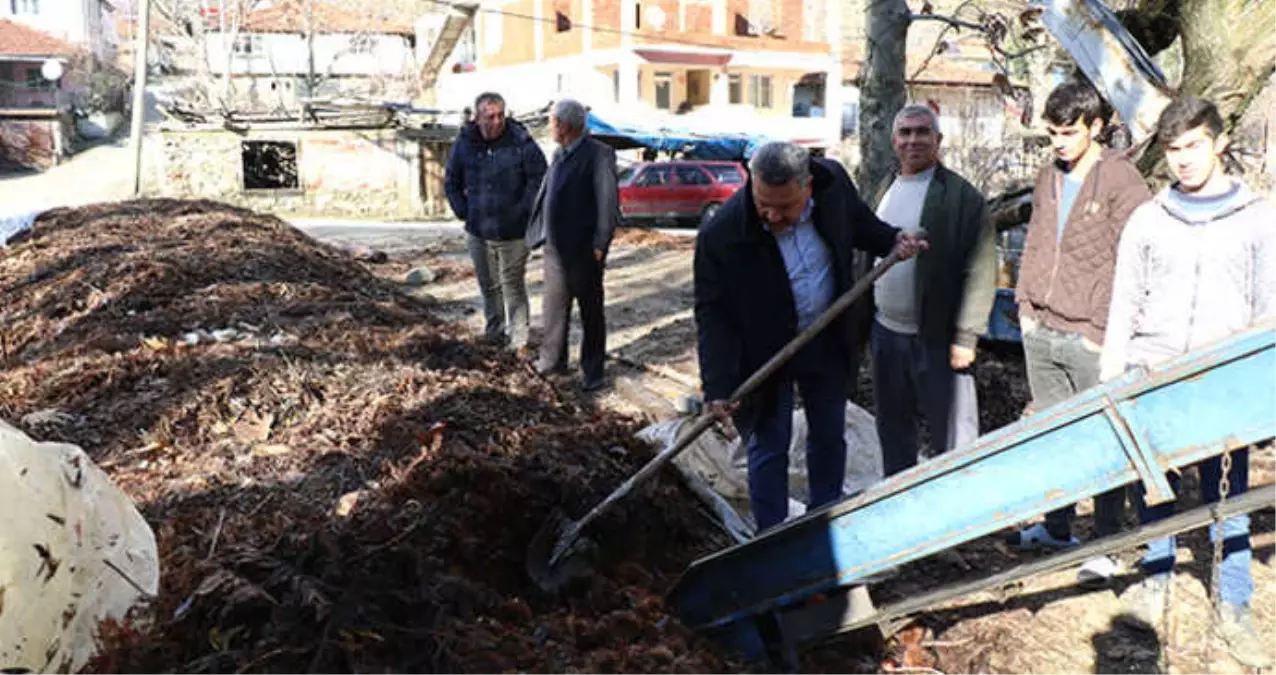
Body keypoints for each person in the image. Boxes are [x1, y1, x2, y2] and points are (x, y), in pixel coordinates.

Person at [1102, 95, 1273, 668]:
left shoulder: (1258, 216)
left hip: (1225, 377)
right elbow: (1125, 299)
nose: (1182, 160)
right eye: (1172, 150)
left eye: (1193, 145)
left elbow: (1269, 305)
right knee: (1157, 491)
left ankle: (1233, 605)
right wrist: (1115, 374)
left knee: (1231, 500)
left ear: (1219, 142)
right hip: (1156, 372)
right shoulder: (1149, 218)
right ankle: (1157, 583)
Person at [694, 141, 926, 532]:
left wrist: (893, 240)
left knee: (829, 434)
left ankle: (823, 523)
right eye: (763, 201)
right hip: (764, 353)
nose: (770, 214)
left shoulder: (834, 185)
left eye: (784, 207)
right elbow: (712, 313)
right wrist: (716, 386)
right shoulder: (723, 234)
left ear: (808, 188)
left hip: (827, 335)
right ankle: (771, 536)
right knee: (768, 445)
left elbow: (861, 224)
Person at [1008, 80, 1153, 585]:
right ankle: (1057, 527)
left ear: (1095, 128)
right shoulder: (1049, 173)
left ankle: (1108, 544)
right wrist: (1025, 306)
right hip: (1042, 328)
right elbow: (1035, 241)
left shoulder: (1123, 180)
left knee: (1102, 439)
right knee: (1055, 436)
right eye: (1052, 133)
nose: (1059, 143)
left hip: (1093, 337)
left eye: (1069, 133)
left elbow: (1135, 264)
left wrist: (1101, 329)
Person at [865, 104, 997, 476]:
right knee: (893, 428)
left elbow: (982, 267)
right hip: (887, 333)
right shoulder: (883, 188)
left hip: (939, 338)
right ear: (894, 141)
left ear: (938, 140)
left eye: (922, 132)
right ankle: (899, 502)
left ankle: (958, 513)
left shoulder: (961, 197)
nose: (913, 140)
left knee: (955, 433)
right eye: (905, 133)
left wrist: (966, 337)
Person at [525, 98, 619, 392]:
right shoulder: (559, 153)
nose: (550, 127)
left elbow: (608, 202)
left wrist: (601, 242)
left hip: (584, 249)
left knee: (590, 311)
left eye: (552, 122)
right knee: (554, 309)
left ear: (564, 126)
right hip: (555, 249)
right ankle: (552, 363)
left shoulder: (599, 154)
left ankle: (593, 371)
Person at [444, 92, 547, 352]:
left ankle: (519, 340)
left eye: (501, 115)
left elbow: (539, 180)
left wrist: (523, 211)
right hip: (478, 229)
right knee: (488, 285)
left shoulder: (521, 142)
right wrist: (463, 211)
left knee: (512, 285)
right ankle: (494, 333)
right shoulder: (464, 143)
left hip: (514, 232)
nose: (497, 121)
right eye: (490, 117)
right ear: (478, 118)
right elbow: (451, 180)